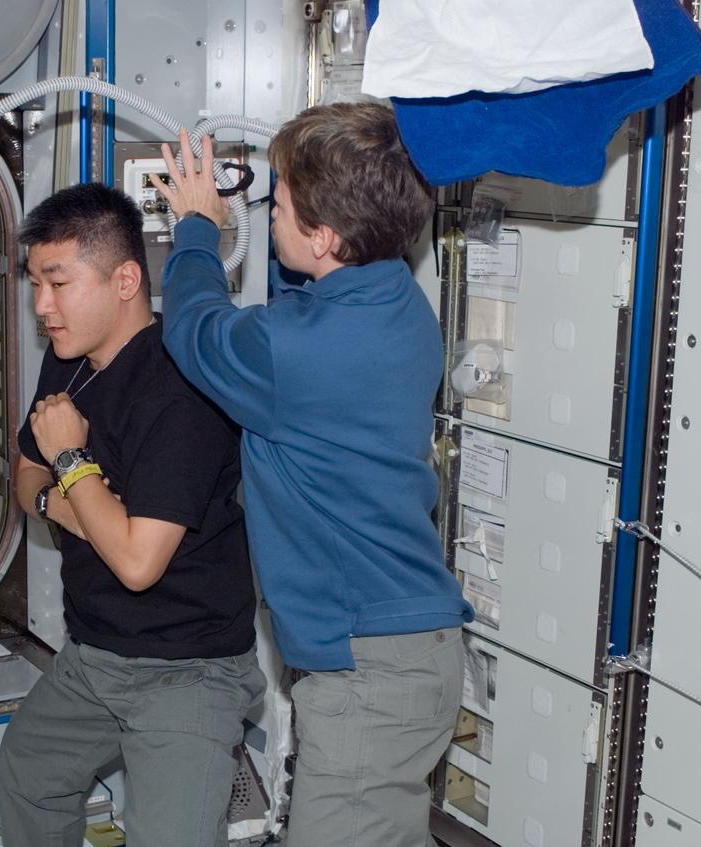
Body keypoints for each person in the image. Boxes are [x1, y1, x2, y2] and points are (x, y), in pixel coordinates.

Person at [151, 103, 475, 846]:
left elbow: (193, 331)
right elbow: (304, 302)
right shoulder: (397, 299)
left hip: (370, 671)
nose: (270, 213)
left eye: (282, 204)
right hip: (405, 649)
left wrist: (197, 227)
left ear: (326, 236)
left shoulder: (292, 353)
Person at [0, 182, 265, 847]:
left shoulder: (181, 388)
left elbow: (138, 563)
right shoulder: (68, 362)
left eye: (58, 283)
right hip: (95, 651)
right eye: (35, 284)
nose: (42, 306)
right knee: (29, 775)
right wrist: (81, 508)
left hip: (186, 666)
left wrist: (71, 459)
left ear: (124, 280)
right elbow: (24, 471)